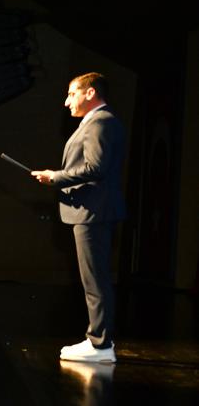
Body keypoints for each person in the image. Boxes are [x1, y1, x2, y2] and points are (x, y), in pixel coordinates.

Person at [31, 72, 126, 363]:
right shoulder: (97, 121)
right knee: (94, 279)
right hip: (91, 210)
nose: (66, 101)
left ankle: (100, 344)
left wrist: (56, 177)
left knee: (95, 280)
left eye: (72, 93)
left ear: (90, 93)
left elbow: (96, 168)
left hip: (92, 212)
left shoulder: (100, 122)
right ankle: (99, 340)